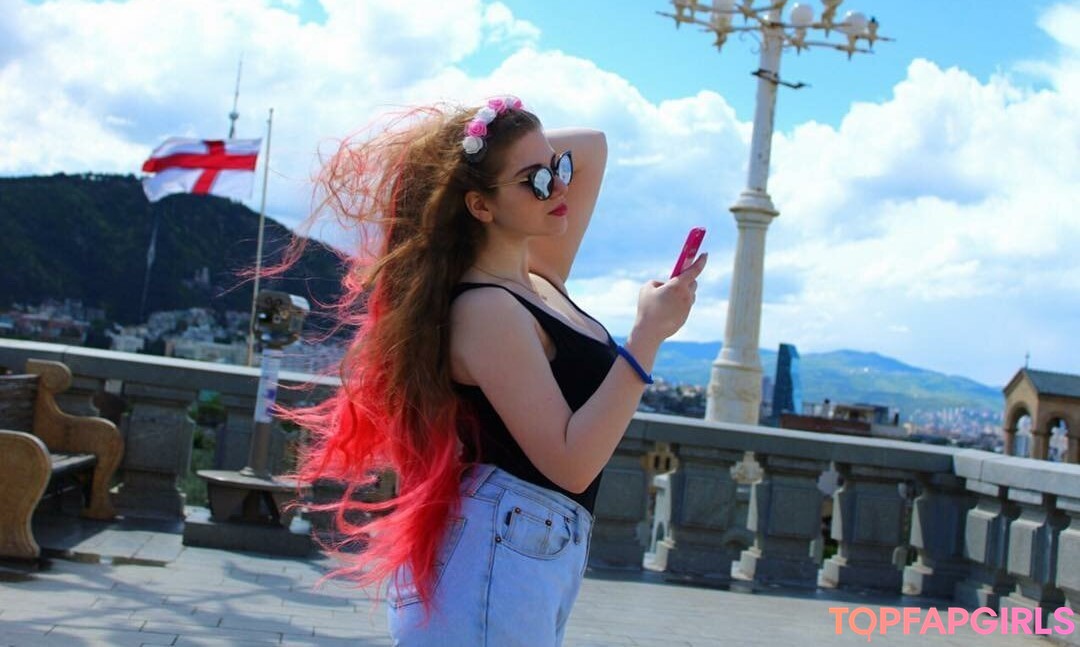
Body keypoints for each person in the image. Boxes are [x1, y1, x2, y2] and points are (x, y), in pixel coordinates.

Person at [291, 95, 707, 646]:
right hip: (499, 552)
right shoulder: (486, 310)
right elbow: (571, 463)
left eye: (557, 170)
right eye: (536, 182)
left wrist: (489, 145)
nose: (559, 189)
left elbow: (593, 146)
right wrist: (647, 336)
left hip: (520, 550)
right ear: (480, 206)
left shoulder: (538, 278)